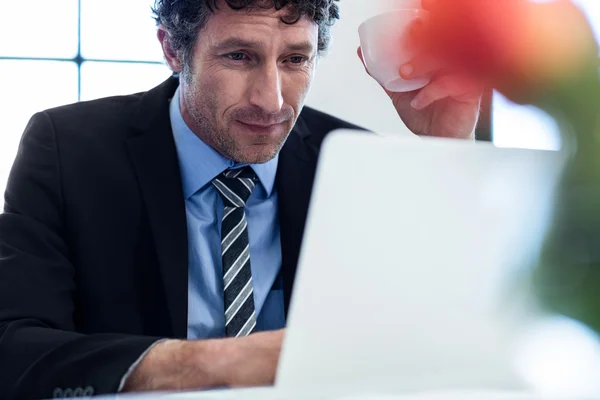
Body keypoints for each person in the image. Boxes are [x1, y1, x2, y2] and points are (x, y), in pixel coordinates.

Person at [0, 0, 482, 398]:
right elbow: (14, 348)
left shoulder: (354, 160)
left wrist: (448, 150)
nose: (271, 101)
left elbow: (447, 337)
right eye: (239, 57)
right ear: (172, 49)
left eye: (295, 60)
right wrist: (218, 362)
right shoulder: (68, 150)